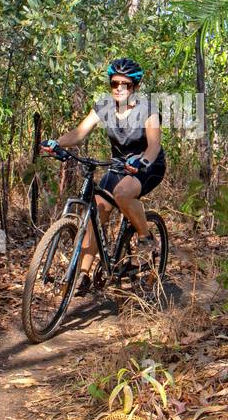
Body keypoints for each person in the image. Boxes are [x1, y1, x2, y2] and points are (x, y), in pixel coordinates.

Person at [42, 57, 165, 290]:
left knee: (122, 193)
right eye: (115, 83)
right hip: (119, 165)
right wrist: (57, 143)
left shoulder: (147, 109)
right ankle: (84, 275)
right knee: (98, 210)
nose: (119, 88)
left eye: (126, 84)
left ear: (135, 87)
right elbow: (79, 132)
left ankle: (146, 238)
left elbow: (154, 145)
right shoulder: (104, 106)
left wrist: (143, 161)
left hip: (148, 165)